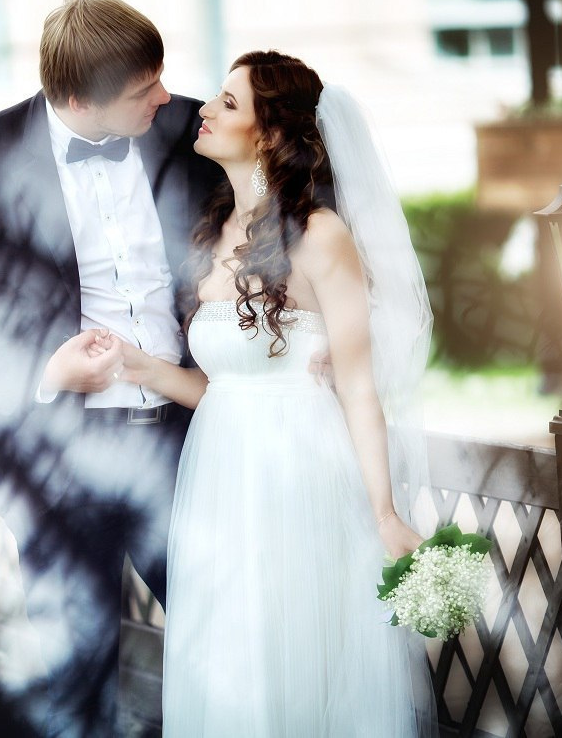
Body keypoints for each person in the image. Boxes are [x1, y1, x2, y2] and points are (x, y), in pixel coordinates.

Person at [0, 0, 224, 736]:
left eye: (161, 75)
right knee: (77, 665)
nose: (167, 95)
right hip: (53, 455)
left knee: (225, 631)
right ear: (78, 98)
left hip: (187, 441)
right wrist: (41, 368)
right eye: (143, 88)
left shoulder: (190, 127)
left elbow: (290, 206)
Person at [103, 51, 437, 735]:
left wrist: (383, 512)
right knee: (231, 662)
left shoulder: (320, 235)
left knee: (296, 660)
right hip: (219, 484)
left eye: (228, 103)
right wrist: (134, 364)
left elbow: (359, 387)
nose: (204, 109)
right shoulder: (215, 229)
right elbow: (224, 389)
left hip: (300, 483)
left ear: (271, 132)